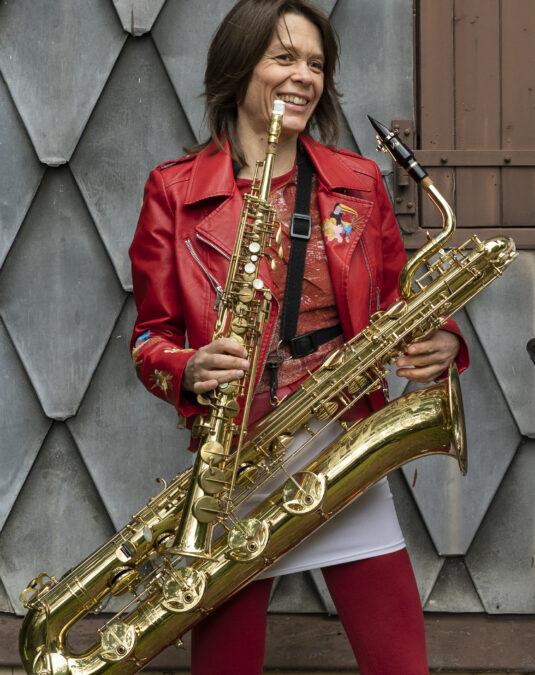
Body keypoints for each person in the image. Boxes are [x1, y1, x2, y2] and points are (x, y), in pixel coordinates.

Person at [128, 1, 465, 672]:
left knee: (401, 664)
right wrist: (189, 366)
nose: (304, 76)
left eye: (316, 63)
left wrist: (445, 341)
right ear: (238, 68)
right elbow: (150, 338)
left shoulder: (360, 182)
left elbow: (403, 296)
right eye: (284, 58)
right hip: (238, 463)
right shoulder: (172, 190)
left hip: (343, 450)